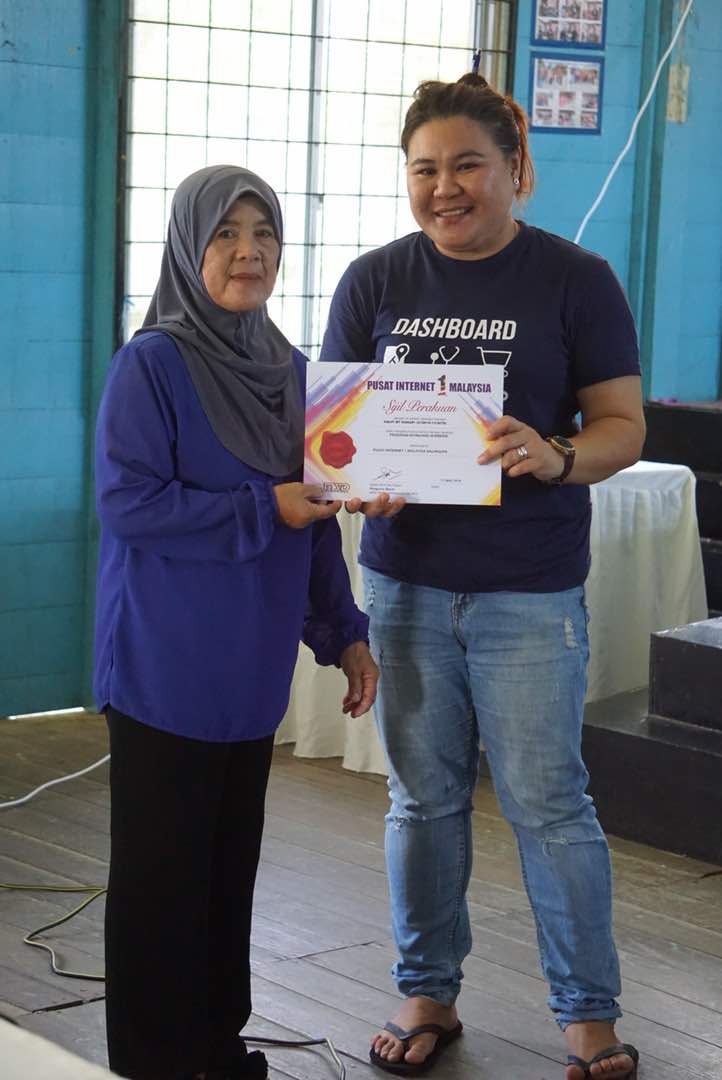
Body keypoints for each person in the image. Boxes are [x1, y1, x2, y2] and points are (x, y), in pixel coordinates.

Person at [320, 75, 645, 1080]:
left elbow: (623, 427)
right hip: (406, 585)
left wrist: (555, 453)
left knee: (548, 803)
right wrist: (355, 485)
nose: (444, 187)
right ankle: (426, 993)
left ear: (516, 168)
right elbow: (333, 436)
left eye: (467, 165)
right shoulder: (373, 280)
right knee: (421, 800)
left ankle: (586, 1015)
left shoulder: (576, 279)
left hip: (528, 590)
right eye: (424, 169)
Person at [94, 165, 378, 1080]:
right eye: (225, 233)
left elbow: (318, 517)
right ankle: (155, 1063)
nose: (248, 252)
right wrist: (266, 507)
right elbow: (129, 505)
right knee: (161, 882)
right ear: (189, 246)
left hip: (249, 672)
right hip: (165, 665)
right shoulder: (152, 365)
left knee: (225, 873)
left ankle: (216, 1049)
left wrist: (343, 632)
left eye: (264, 233)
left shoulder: (295, 375)